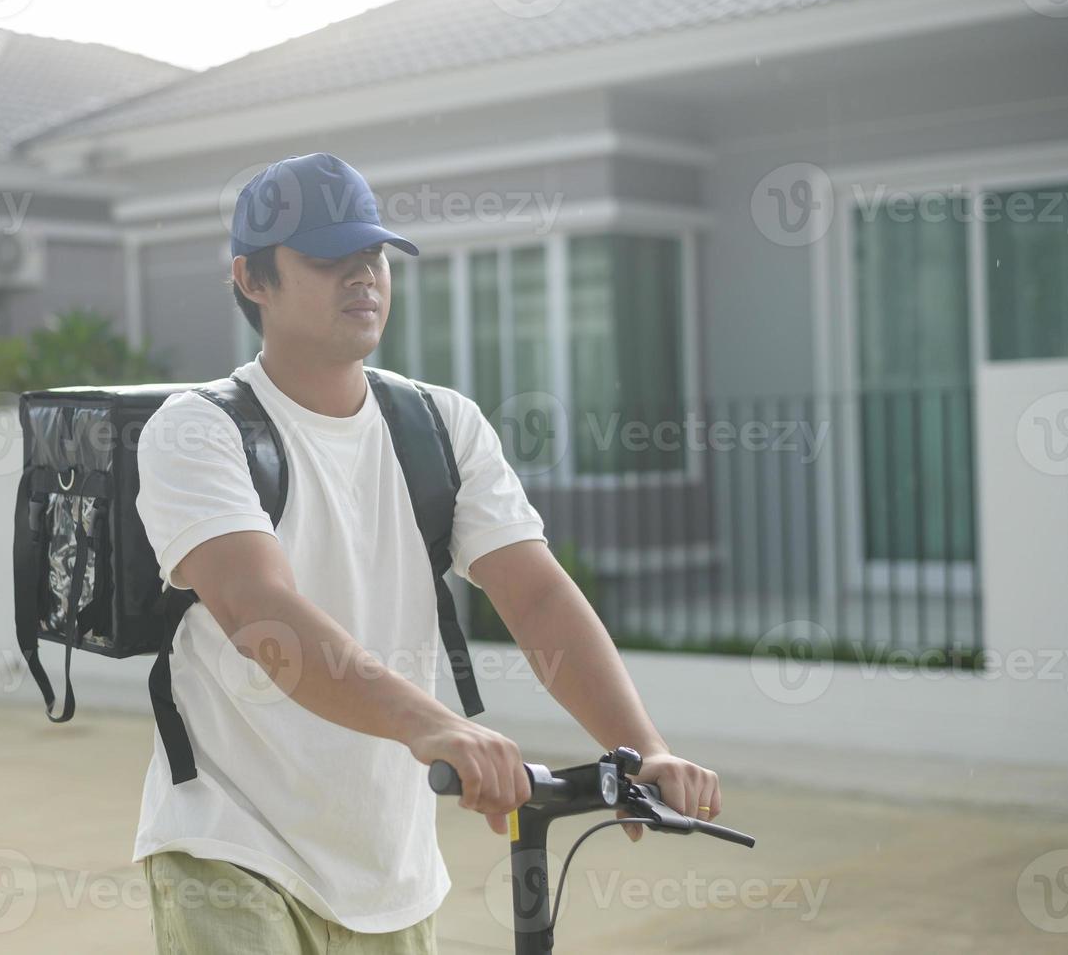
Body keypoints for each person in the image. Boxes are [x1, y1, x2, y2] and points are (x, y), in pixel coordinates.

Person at [132, 152, 721, 954]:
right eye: (328, 259)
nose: (362, 277)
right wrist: (436, 727)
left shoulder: (440, 424)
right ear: (252, 279)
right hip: (231, 844)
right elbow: (254, 609)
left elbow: (535, 597)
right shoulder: (197, 430)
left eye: (372, 256)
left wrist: (640, 749)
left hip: (390, 866)